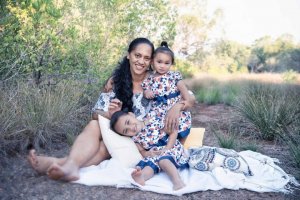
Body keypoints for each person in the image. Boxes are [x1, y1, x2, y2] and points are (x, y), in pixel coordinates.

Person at [27, 37, 196, 181]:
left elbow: (190, 96)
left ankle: (60, 162)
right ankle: (70, 166)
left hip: (147, 141)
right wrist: (111, 113)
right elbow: (95, 113)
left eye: (146, 58)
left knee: (105, 147)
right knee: (95, 125)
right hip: (124, 134)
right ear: (128, 55)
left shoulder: (158, 79)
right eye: (137, 55)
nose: (141, 61)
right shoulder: (117, 82)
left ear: (151, 61)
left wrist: (177, 106)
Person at [110, 110, 188, 190]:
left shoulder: (153, 119)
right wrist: (148, 154)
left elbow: (173, 132)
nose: (131, 128)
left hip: (171, 147)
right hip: (155, 154)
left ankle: (177, 181)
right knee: (149, 164)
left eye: (128, 122)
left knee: (163, 161)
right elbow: (142, 152)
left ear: (131, 115)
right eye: (126, 131)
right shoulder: (135, 139)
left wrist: (167, 148)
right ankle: (141, 177)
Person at [142, 41, 192, 144]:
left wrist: (181, 105)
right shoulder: (150, 79)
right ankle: (162, 148)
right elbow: (145, 90)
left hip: (175, 109)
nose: (162, 66)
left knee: (178, 126)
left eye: (166, 63)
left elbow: (187, 98)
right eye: (159, 62)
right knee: (151, 129)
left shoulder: (174, 76)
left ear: (171, 63)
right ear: (152, 62)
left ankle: (181, 147)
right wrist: (147, 92)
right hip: (158, 112)